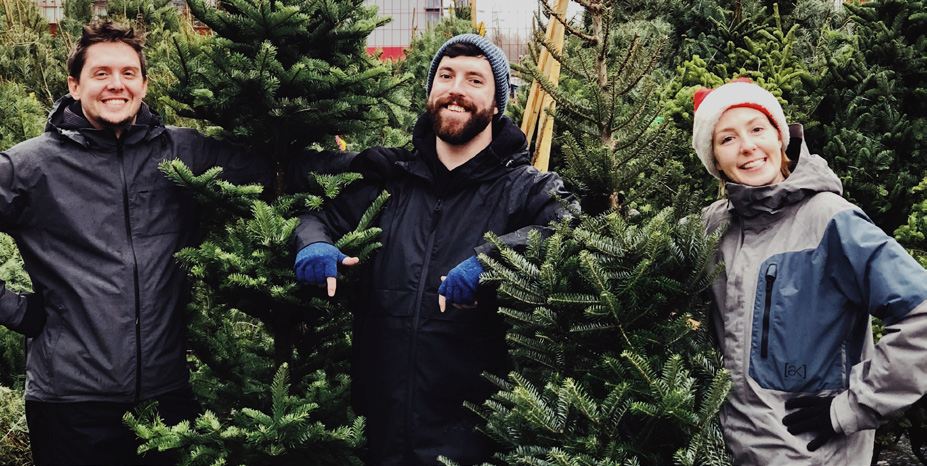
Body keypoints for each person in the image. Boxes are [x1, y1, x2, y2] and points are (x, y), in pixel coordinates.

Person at [292, 34, 576, 464]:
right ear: (431, 92)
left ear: (496, 104)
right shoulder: (391, 181)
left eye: (474, 80)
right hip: (379, 432)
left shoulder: (524, 189)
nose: (456, 89)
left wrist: (491, 259)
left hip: (474, 441)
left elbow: (570, 229)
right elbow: (317, 216)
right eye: (446, 76)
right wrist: (314, 244)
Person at [0, 21, 272, 465]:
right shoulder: (30, 166)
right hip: (70, 404)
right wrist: (17, 311)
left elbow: (275, 170)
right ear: (74, 85)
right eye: (101, 73)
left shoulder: (182, 152)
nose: (116, 84)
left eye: (128, 73)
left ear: (144, 84)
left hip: (168, 398)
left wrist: (372, 165)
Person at [692, 78, 927, 464]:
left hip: (812, 457)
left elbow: (922, 314)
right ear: (715, 159)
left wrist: (851, 407)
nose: (747, 146)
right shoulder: (711, 228)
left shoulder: (829, 220)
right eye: (727, 138)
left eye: (757, 129)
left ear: (779, 137)